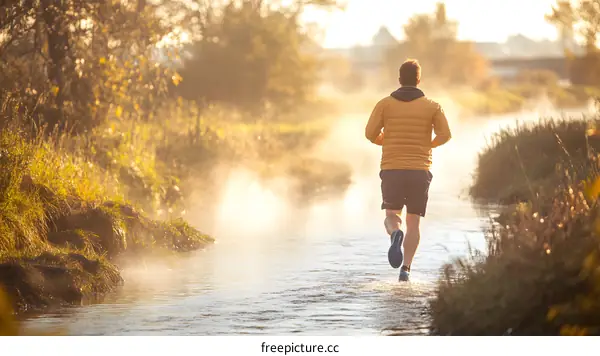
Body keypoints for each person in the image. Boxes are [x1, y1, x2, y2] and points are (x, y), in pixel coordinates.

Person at [364, 59, 452, 282]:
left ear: (399, 79)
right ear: (419, 80)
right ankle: (406, 269)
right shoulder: (432, 106)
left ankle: (395, 234)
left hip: (392, 169)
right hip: (419, 170)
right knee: (414, 222)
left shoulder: (384, 104)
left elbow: (369, 133)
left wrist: (384, 141)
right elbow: (445, 135)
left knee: (392, 216)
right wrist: (427, 145)